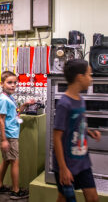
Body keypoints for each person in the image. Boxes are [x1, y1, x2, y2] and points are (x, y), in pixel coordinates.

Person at [53, 59, 101, 202]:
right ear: (80, 77)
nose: (91, 79)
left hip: (83, 162)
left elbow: (77, 125)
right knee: (64, 198)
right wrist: (63, 168)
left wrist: (89, 132)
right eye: (89, 75)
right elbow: (56, 138)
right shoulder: (64, 104)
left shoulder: (80, 99)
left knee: (93, 198)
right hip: (66, 164)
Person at [0, 71, 34, 199]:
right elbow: (1, 119)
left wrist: (25, 105)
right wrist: (4, 140)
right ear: (2, 84)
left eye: (15, 83)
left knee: (6, 161)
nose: (13, 85)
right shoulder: (4, 99)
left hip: (11, 133)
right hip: (9, 135)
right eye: (9, 82)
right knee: (15, 162)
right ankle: (16, 191)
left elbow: (16, 113)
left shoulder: (10, 97)